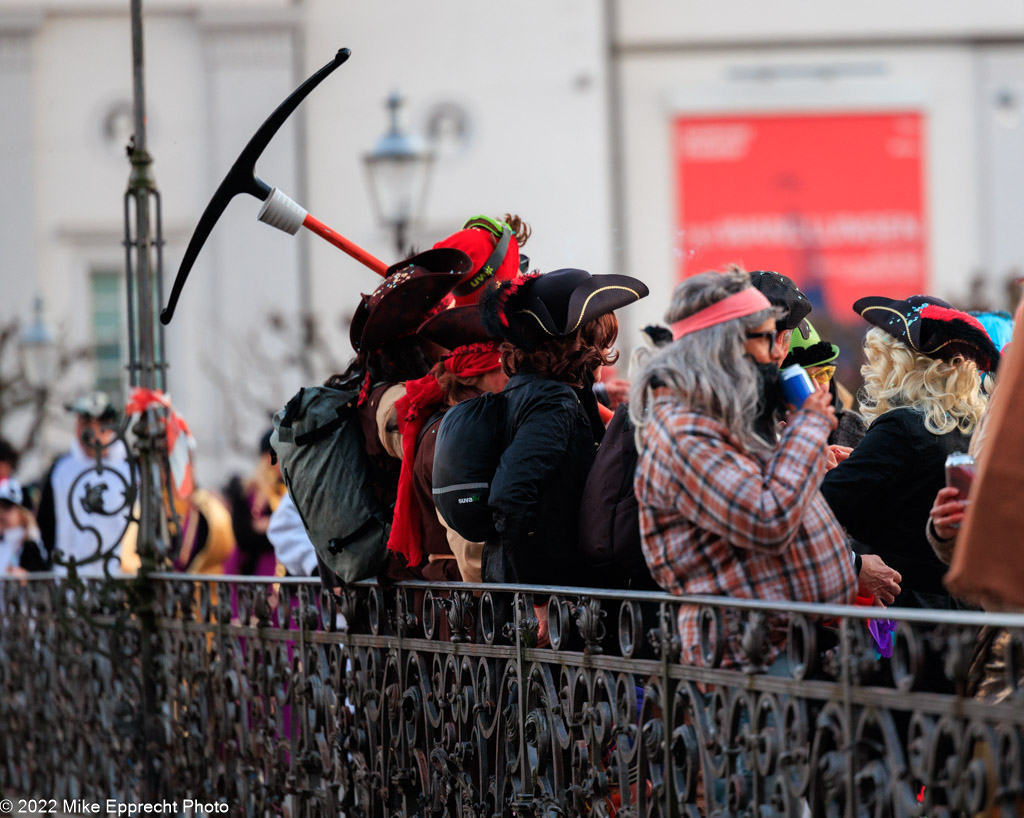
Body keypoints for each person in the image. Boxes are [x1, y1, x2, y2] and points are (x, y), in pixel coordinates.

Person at [631, 269, 857, 671]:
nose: (777, 353)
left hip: (779, 644)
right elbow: (766, 517)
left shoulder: (720, 414)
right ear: (725, 346)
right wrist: (806, 430)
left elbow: (766, 490)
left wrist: (804, 453)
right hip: (744, 657)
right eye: (766, 338)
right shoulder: (685, 430)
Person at [821, 295, 999, 609]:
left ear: (899, 362)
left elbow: (819, 509)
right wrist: (862, 464)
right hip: (964, 614)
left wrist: (817, 470)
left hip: (910, 622)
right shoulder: (971, 427)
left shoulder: (901, 426)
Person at [475, 266, 649, 585]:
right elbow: (509, 497)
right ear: (580, 341)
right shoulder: (553, 399)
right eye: (601, 339)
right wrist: (539, 596)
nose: (605, 350)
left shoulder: (534, 389)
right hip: (557, 601)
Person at [318, 248, 472, 584]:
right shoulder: (391, 400)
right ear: (418, 343)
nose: (452, 340)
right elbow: (445, 446)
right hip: (415, 586)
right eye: (442, 329)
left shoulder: (399, 391)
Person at [386, 305, 507, 584]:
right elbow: (471, 550)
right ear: (474, 375)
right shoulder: (455, 434)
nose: (512, 377)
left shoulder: (463, 425)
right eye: (501, 368)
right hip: (466, 609)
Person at [36, 391, 133, 578]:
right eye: (81, 423)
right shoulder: (61, 469)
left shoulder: (131, 470)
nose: (85, 431)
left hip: (119, 578)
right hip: (70, 579)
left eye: (90, 423)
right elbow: (46, 524)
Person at [782, 320, 867, 449]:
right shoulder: (757, 434)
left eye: (823, 374)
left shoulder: (855, 427)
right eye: (801, 380)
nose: (816, 389)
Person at [223, 429, 286, 576]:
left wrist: (270, 525)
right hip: (256, 572)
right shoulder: (249, 493)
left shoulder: (287, 489)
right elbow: (243, 536)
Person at [0, 478, 49, 573]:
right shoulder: (2, 539)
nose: (3, 513)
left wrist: (24, 575)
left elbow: (40, 575)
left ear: (20, 510)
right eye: (0, 507)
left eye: (8, 506)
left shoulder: (31, 542)